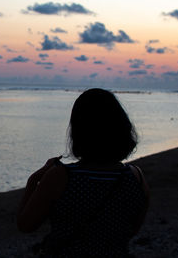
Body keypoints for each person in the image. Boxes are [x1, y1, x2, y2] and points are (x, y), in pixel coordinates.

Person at [17, 88, 149, 257]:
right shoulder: (136, 177)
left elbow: (25, 225)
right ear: (122, 128)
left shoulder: (62, 177)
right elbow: (132, 229)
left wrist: (34, 179)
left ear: (78, 130)